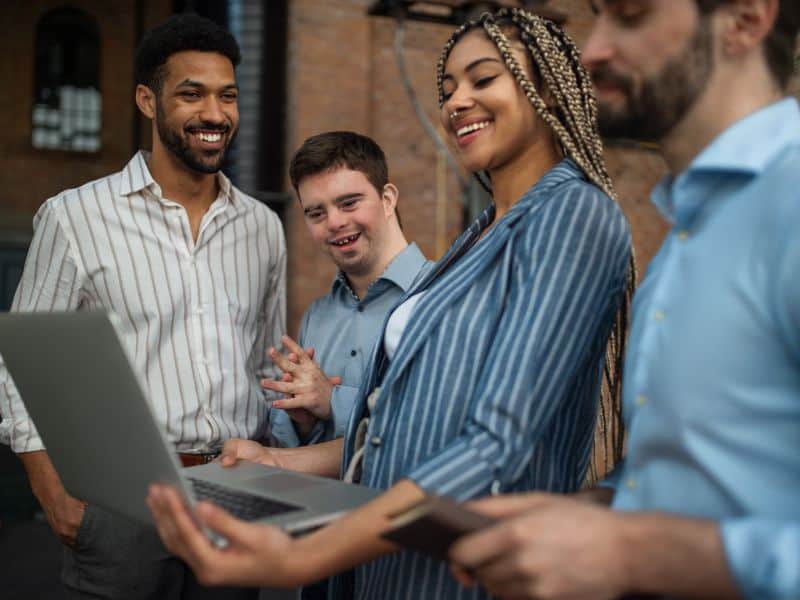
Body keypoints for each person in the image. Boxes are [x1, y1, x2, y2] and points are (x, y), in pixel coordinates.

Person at [147, 8, 634, 599]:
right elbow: (401, 430)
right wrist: (277, 465)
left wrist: (307, 558)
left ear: (548, 92)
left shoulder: (570, 215)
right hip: (392, 566)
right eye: (448, 88)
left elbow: (494, 446)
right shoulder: (482, 233)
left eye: (483, 79)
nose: (456, 102)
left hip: (462, 573)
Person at [447, 1, 800, 599]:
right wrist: (599, 510)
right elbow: (705, 478)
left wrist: (634, 552)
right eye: (599, 16)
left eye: (631, 15)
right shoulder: (685, 236)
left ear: (745, 18)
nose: (593, 50)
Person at [0, 13, 285, 599]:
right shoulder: (75, 217)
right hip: (122, 504)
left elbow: (266, 364)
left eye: (227, 96)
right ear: (147, 101)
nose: (215, 114)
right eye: (192, 94)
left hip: (237, 496)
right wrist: (52, 493)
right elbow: (22, 364)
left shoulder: (263, 228)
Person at [267, 131, 429, 448]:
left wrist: (333, 402)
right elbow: (283, 440)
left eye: (349, 203)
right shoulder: (317, 316)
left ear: (388, 199)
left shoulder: (444, 294)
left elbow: (432, 424)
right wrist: (304, 419)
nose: (334, 222)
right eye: (317, 213)